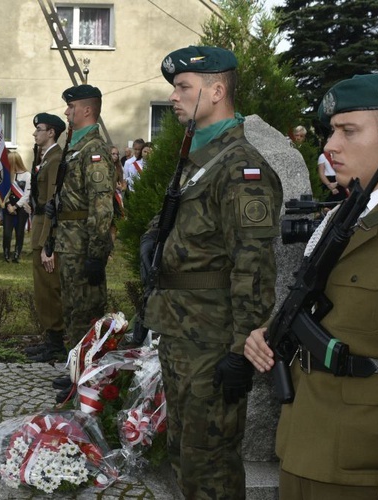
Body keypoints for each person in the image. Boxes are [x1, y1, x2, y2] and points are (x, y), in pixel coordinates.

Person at [245, 73, 378, 499]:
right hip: (302, 447)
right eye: (331, 131)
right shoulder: (344, 216)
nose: (330, 146)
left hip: (365, 470)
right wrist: (272, 334)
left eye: (349, 131)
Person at [142, 46, 282, 499]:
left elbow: (254, 267)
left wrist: (241, 349)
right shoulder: (201, 157)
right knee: (185, 451)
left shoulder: (243, 169)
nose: (174, 96)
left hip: (213, 337)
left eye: (184, 87)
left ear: (217, 90)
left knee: (212, 463)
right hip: (183, 330)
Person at [50, 84, 115, 402]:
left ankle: (88, 378)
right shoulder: (74, 147)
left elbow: (102, 205)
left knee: (86, 313)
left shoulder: (94, 150)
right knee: (73, 310)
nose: (66, 112)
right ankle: (77, 374)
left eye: (71, 107)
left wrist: (97, 253)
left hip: (83, 246)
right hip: (69, 242)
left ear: (87, 110)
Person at [24, 113, 67, 363]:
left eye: (38, 129)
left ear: (51, 132)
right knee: (42, 289)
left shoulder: (55, 159)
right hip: (39, 225)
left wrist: (48, 244)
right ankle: (50, 339)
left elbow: (53, 201)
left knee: (50, 288)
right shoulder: (45, 158)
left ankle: (56, 344)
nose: (34, 133)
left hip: (46, 230)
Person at [2, 151, 31, 263]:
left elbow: (27, 194)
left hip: (21, 207)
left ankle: (16, 255)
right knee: (7, 232)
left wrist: (15, 207)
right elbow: (5, 191)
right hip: (8, 206)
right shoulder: (8, 175)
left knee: (19, 232)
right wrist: (9, 205)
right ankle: (6, 254)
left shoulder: (27, 175)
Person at [110, 145, 126, 245]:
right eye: (113, 154)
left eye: (117, 154)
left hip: (115, 198)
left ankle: (111, 248)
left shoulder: (119, 168)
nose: (115, 156)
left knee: (115, 224)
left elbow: (124, 185)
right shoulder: (104, 166)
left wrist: (120, 187)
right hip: (106, 198)